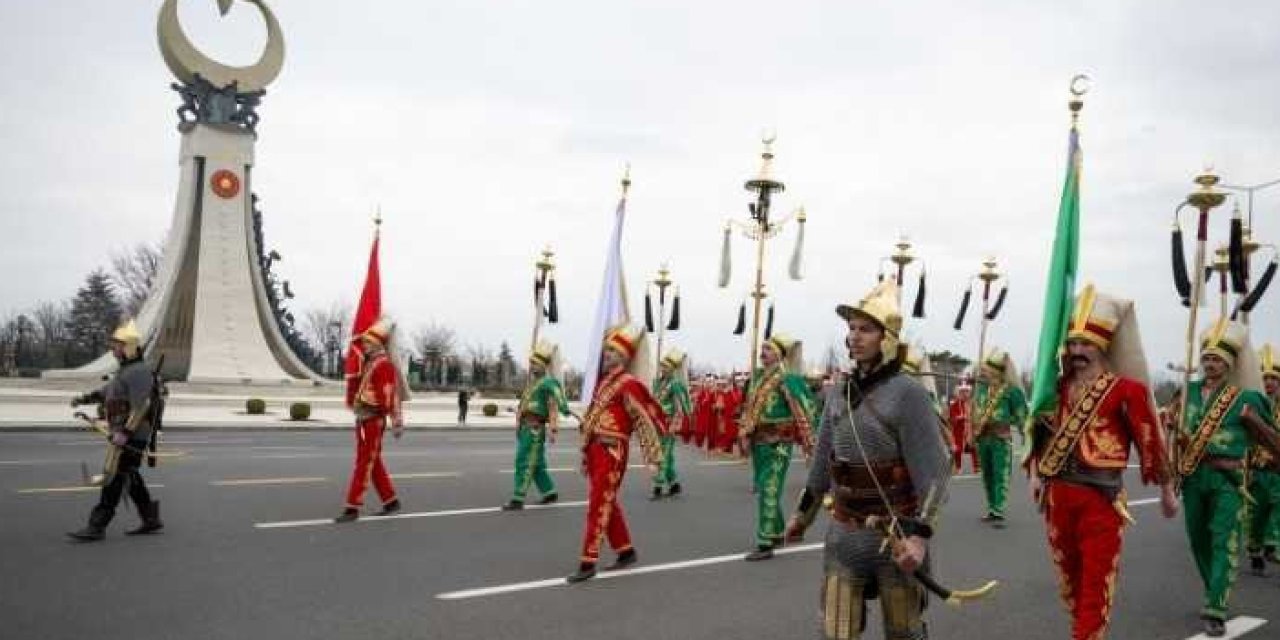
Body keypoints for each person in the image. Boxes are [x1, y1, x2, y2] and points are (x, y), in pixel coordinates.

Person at [785, 281, 951, 640]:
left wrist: (919, 540)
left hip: (896, 535)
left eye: (866, 329)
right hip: (845, 533)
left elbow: (935, 474)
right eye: (852, 329)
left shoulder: (909, 395)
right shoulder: (836, 392)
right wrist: (802, 516)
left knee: (903, 633)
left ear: (887, 338)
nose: (856, 337)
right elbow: (821, 465)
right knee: (836, 632)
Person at [1025, 284, 1178, 640]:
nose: (1078, 351)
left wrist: (1168, 491)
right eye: (1074, 343)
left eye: (1087, 344)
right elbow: (1039, 434)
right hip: (1057, 497)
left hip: (1101, 499)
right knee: (1071, 586)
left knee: (1096, 587)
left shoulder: (1128, 391)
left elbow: (1150, 444)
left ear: (1103, 345)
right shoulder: (1055, 388)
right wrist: (1034, 474)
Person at [1174, 318, 1278, 636]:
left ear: (1229, 363)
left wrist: (1253, 423)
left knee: (1223, 539)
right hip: (1194, 477)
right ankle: (1213, 589)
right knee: (1198, 539)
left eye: (1217, 359)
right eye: (1206, 358)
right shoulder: (1187, 392)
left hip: (1227, 479)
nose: (1210, 363)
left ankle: (1216, 606)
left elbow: (1273, 441)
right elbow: (1174, 428)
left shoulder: (1246, 398)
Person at [567, 324, 668, 583]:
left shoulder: (629, 385)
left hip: (613, 450)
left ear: (624, 357)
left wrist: (653, 457)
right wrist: (584, 451)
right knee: (606, 501)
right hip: (595, 448)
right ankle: (625, 551)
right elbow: (592, 416)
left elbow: (645, 420)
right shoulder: (603, 384)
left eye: (612, 351)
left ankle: (587, 561)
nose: (607, 355)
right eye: (606, 351)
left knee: (598, 504)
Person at [67, 320, 163, 541]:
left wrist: (125, 434)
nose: (113, 349)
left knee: (113, 478)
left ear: (129, 346)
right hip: (124, 433)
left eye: (117, 345)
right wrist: (85, 398)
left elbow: (141, 407)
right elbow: (109, 391)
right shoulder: (126, 370)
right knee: (129, 475)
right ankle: (150, 518)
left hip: (132, 435)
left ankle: (97, 526)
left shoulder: (139, 372)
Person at [739, 334, 816, 560]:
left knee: (769, 487)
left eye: (768, 349)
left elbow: (803, 411)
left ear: (780, 355)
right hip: (759, 442)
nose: (763, 353)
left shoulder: (787, 379)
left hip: (778, 444)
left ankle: (765, 542)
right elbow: (749, 409)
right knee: (765, 487)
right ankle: (780, 530)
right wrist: (744, 433)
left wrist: (811, 444)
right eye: (762, 348)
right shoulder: (758, 378)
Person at [335, 317, 409, 523]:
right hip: (364, 419)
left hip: (373, 420)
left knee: (364, 463)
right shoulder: (372, 364)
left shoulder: (383, 365)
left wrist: (395, 419)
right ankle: (391, 501)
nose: (364, 346)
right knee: (372, 462)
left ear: (377, 343)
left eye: (368, 342)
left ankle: (352, 506)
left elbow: (389, 396)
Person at [503, 340, 571, 511]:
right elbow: (524, 405)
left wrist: (561, 417)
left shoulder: (549, 382)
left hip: (534, 430)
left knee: (524, 462)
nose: (532, 366)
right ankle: (549, 491)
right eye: (531, 362)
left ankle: (518, 497)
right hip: (525, 428)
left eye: (536, 363)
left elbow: (557, 400)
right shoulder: (531, 384)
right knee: (537, 463)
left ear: (544, 365)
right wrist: (518, 421)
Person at [973, 348, 1025, 527]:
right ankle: (991, 506)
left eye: (988, 369)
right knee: (986, 474)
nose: (985, 371)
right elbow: (975, 411)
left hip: (1000, 437)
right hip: (983, 438)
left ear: (997, 370)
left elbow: (1021, 416)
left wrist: (1027, 437)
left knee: (1000, 474)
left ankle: (998, 509)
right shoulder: (981, 388)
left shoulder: (1011, 391)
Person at [1247, 343, 1280, 575]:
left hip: (1278, 468)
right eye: (1265, 377)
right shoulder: (1251, 404)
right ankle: (1256, 549)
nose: (1269, 382)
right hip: (1256, 469)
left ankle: (1273, 544)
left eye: (1273, 378)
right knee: (1257, 513)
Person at [652, 349, 692, 499]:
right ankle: (674, 484)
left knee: (664, 456)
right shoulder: (659, 383)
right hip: (657, 424)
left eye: (666, 367)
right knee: (666, 456)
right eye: (662, 366)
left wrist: (674, 425)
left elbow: (679, 408)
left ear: (672, 369)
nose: (663, 369)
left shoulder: (675, 385)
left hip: (669, 425)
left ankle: (658, 486)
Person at [948, 383, 978, 474]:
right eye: (962, 392)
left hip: (971, 429)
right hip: (959, 431)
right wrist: (958, 418)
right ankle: (957, 467)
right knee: (957, 449)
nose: (964, 394)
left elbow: (978, 415)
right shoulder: (954, 405)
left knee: (975, 448)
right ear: (959, 393)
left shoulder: (973, 404)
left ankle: (977, 467)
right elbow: (951, 418)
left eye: (966, 392)